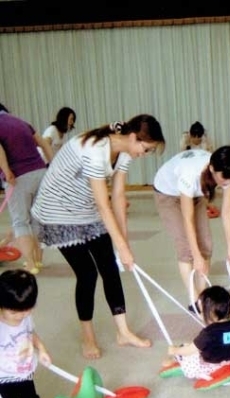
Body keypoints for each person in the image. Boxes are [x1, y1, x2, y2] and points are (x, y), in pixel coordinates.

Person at [31, 114, 164, 359]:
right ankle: (88, 337)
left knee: (110, 266)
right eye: (145, 149)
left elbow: (119, 198)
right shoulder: (95, 149)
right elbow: (104, 205)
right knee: (88, 273)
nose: (143, 154)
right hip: (57, 214)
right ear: (133, 137)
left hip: (85, 210)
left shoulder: (123, 152)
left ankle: (123, 332)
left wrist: (124, 245)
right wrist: (122, 247)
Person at [153, 146, 230, 298]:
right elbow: (188, 220)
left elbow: (227, 211)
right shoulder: (190, 173)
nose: (227, 182)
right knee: (186, 248)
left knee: (206, 245)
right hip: (168, 193)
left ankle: (203, 296)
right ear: (212, 168)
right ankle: (194, 299)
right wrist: (196, 255)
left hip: (196, 192)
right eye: (224, 178)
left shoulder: (228, 172)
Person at [0, 270, 52, 398]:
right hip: (3, 378)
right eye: (14, 312)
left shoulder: (26, 316)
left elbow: (32, 334)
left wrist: (42, 349)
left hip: (24, 371)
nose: (21, 316)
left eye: (27, 310)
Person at [0, 103, 54, 275]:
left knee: (20, 222)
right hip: (40, 172)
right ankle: (38, 260)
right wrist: (53, 164)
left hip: (18, 176)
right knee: (37, 218)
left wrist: (7, 171)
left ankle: (30, 264)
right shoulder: (21, 122)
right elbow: (44, 143)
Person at [162, 286, 230, 380]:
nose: (200, 314)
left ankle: (175, 359)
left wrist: (175, 350)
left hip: (212, 363)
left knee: (185, 347)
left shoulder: (208, 333)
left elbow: (190, 349)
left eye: (201, 312)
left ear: (210, 314)